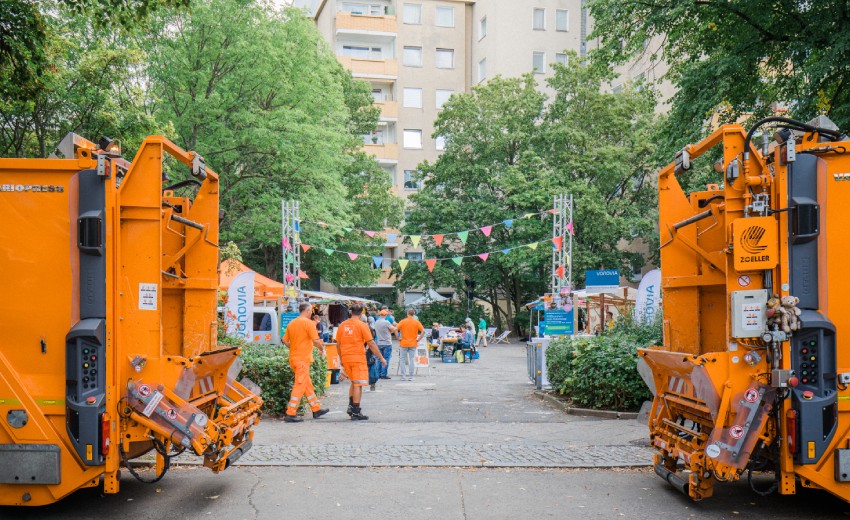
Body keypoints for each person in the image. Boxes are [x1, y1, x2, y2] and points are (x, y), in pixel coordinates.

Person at [282, 302, 329, 423]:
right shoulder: (308, 323)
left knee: (307, 385)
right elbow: (316, 341)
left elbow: (285, 340)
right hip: (303, 359)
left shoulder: (292, 323)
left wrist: (293, 348)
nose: (311, 313)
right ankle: (290, 413)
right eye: (311, 311)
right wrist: (322, 349)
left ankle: (316, 409)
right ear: (307, 311)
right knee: (300, 385)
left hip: (294, 358)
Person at [337, 305, 386, 420]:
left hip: (346, 357)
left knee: (353, 383)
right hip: (357, 357)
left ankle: (351, 406)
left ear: (350, 312)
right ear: (361, 313)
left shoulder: (342, 325)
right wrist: (381, 357)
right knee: (358, 384)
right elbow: (371, 343)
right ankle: (356, 411)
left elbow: (338, 344)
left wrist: (341, 358)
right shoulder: (362, 325)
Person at [396, 308, 424, 381]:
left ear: (407, 314)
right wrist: (418, 339)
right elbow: (423, 331)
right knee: (411, 359)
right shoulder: (416, 322)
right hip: (413, 343)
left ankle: (403, 376)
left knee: (402, 359)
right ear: (414, 314)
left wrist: (398, 337)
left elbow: (395, 329)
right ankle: (411, 376)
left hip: (404, 343)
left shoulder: (403, 321)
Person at [373, 309, 397, 380]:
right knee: (386, 358)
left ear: (380, 314)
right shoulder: (386, 322)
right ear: (385, 315)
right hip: (387, 342)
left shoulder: (376, 322)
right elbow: (394, 329)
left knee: (379, 358)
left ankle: (378, 373)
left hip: (379, 342)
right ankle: (383, 374)